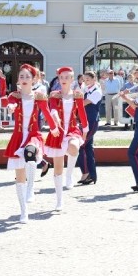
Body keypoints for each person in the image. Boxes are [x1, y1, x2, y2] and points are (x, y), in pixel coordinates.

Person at [3, 64, 60, 223]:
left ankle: (31, 189)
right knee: (19, 176)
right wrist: (11, 107)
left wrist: (54, 128)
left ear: (34, 79)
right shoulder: (14, 95)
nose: (24, 79)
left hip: (33, 135)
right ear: (18, 80)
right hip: (18, 136)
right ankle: (24, 212)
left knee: (31, 152)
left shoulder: (39, 96)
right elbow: (10, 104)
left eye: (28, 77)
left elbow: (47, 113)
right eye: (21, 76)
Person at [44, 66, 89, 209]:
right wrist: (54, 115)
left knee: (74, 147)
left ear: (72, 79)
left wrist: (86, 128)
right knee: (58, 169)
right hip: (57, 131)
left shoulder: (77, 94)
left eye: (67, 77)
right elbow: (52, 108)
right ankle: (59, 200)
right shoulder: (54, 94)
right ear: (58, 79)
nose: (63, 80)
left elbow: (81, 112)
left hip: (72, 129)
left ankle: (69, 175)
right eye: (61, 77)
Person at [78, 71, 102, 185]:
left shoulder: (96, 91)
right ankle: (91, 175)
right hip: (85, 121)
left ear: (94, 79)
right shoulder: (86, 89)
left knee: (80, 145)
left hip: (91, 122)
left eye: (87, 79)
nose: (85, 81)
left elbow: (83, 103)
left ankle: (86, 173)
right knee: (88, 148)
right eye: (84, 79)